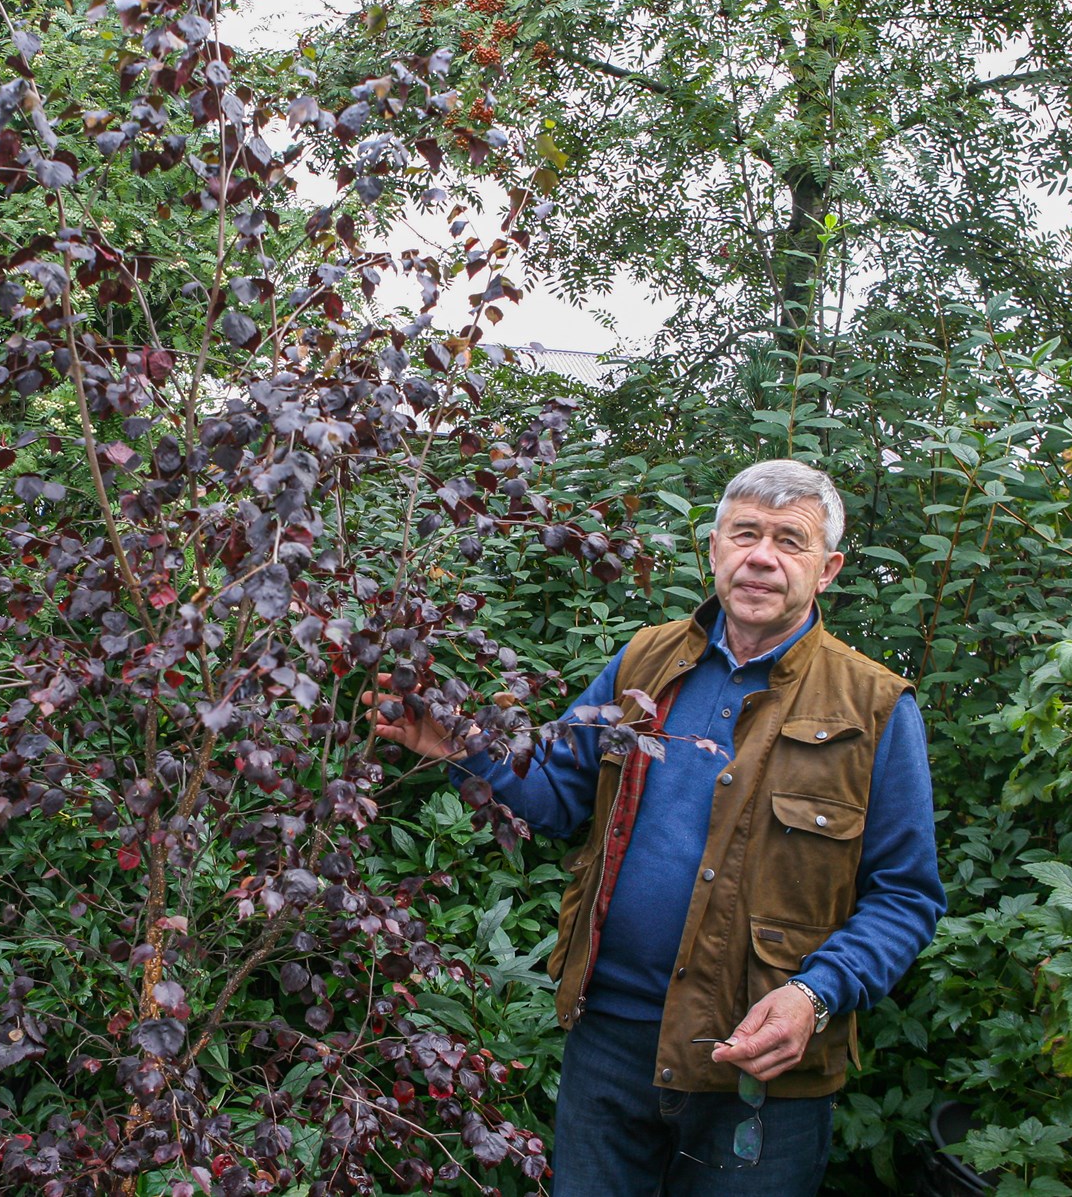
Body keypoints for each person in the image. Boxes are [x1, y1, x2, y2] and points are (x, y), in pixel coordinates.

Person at [369, 459, 946, 1196]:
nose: (761, 556)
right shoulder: (646, 659)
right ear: (714, 550)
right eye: (744, 534)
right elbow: (556, 794)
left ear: (827, 567)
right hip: (610, 1047)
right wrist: (458, 742)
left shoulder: (873, 706)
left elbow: (905, 896)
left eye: (789, 540)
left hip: (760, 1073)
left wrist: (817, 994)